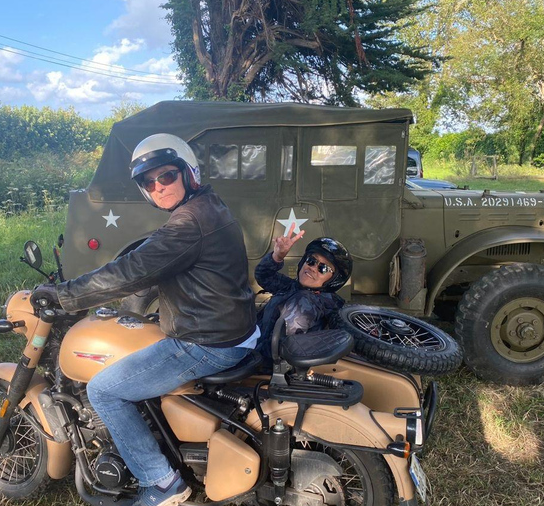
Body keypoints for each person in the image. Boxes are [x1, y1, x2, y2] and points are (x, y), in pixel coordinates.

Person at [31, 133, 257, 506]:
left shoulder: (188, 224)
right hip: (231, 328)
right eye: (148, 182)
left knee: (103, 390)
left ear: (189, 173)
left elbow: (130, 273)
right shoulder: (208, 206)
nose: (158, 187)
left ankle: (163, 482)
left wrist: (66, 295)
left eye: (166, 176)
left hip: (206, 342)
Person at [255, 224, 353, 360]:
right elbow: (263, 275)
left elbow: (277, 347)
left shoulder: (308, 302)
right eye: (311, 260)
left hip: (262, 365)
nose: (313, 268)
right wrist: (277, 256)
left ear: (333, 279)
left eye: (323, 268)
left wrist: (244, 351)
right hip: (254, 350)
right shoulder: (293, 287)